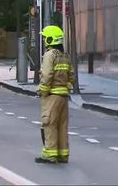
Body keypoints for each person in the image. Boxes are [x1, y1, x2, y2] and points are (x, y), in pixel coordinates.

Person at [36, 25, 74, 164]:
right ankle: (63, 155)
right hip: (63, 97)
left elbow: (47, 75)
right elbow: (71, 76)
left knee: (49, 124)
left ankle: (50, 155)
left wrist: (42, 90)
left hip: (52, 95)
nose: (45, 39)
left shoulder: (49, 55)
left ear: (51, 39)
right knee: (62, 126)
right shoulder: (65, 55)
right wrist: (66, 88)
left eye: (46, 37)